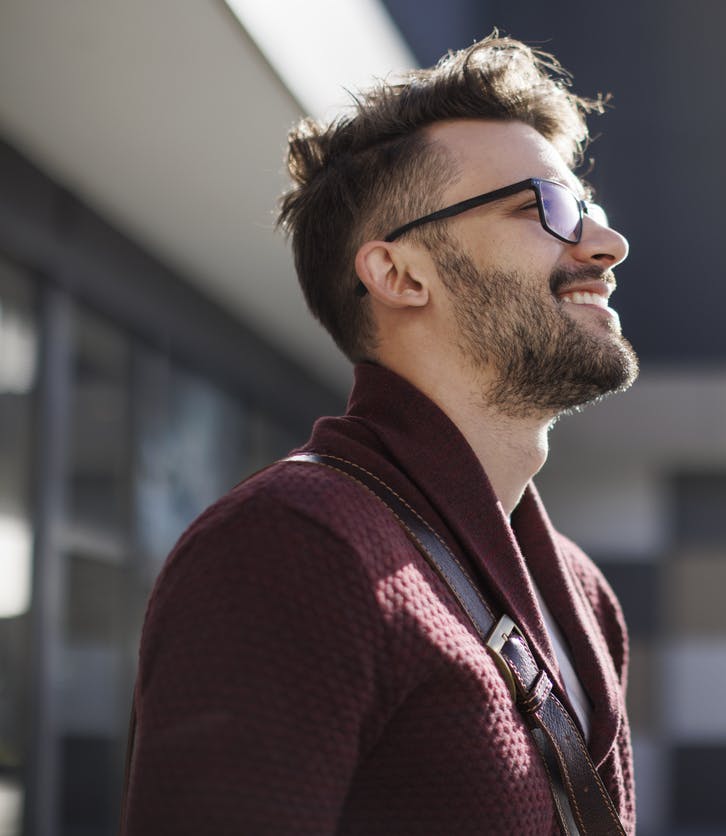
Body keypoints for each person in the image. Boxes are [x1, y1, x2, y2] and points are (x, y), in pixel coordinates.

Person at [122, 35, 639, 835]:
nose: (606, 244)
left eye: (590, 209)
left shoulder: (581, 591)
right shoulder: (292, 547)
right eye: (547, 206)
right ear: (399, 275)